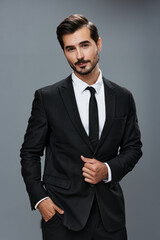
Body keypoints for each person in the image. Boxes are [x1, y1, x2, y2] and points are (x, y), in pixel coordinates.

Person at [20, 14, 142, 240]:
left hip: (110, 218)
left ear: (99, 44)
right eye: (70, 49)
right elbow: (29, 153)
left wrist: (108, 169)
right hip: (62, 218)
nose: (79, 56)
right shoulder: (48, 98)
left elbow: (133, 148)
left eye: (84, 45)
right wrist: (40, 200)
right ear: (64, 52)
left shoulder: (123, 97)